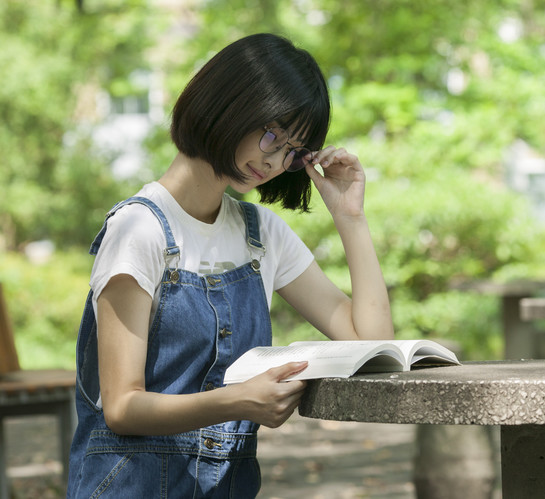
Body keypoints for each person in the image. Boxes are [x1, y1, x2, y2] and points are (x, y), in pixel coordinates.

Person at [67, 33, 394, 498]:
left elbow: (371, 345)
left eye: (292, 150)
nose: (275, 159)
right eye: (272, 134)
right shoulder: (140, 229)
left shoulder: (261, 234)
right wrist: (238, 401)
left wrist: (351, 217)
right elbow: (121, 407)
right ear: (227, 104)